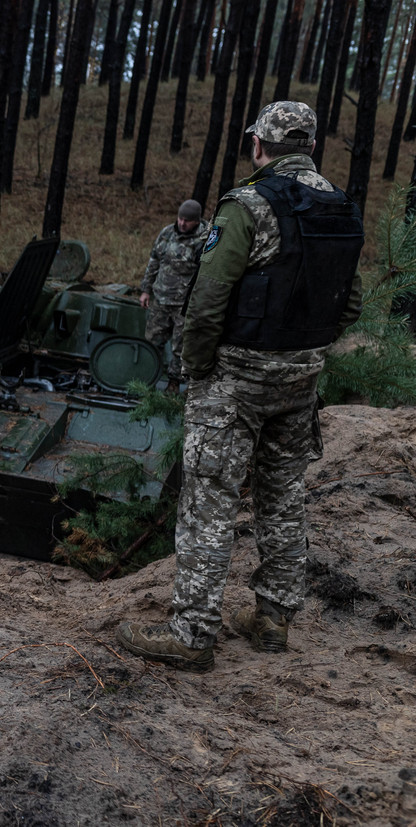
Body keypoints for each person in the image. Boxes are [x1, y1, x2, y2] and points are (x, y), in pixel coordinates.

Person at [116, 101, 363, 672]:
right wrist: (302, 349)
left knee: (209, 500)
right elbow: (347, 303)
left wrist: (197, 368)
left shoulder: (247, 205)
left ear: (260, 145)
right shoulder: (341, 208)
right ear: (309, 146)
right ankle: (272, 618)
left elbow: (206, 303)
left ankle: (192, 633)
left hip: (236, 379)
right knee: (283, 495)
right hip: (301, 378)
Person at [139, 199, 209, 385]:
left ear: (196, 221)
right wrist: (146, 290)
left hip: (185, 305)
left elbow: (206, 275)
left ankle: (174, 383)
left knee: (181, 348)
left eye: (187, 220)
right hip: (161, 299)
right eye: (180, 218)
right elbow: (153, 262)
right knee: (152, 342)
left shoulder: (204, 239)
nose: (182, 223)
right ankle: (147, 380)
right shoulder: (167, 233)